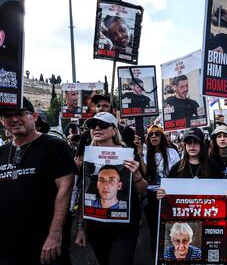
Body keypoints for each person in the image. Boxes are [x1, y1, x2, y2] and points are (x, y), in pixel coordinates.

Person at [0, 97, 76, 264]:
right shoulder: (2, 152)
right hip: (8, 245)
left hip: (44, 243)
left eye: (20, 114)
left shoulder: (55, 147)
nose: (14, 119)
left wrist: (54, 234)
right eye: (7, 115)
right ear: (1, 120)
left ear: (34, 116)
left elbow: (65, 189)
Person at [74, 112, 147, 265]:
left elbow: (142, 190)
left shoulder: (129, 154)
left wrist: (136, 174)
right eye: (93, 126)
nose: (97, 128)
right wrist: (81, 227)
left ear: (114, 130)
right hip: (96, 225)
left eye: (103, 125)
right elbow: (84, 192)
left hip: (124, 226)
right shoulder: (88, 156)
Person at [141, 124, 180, 257]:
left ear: (162, 137)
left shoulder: (172, 152)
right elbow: (144, 174)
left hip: (168, 194)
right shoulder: (145, 154)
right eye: (151, 134)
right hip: (151, 195)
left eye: (157, 134)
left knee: (170, 226)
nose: (154, 136)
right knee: (153, 226)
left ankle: (170, 252)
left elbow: (177, 173)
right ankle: (155, 253)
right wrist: (140, 154)